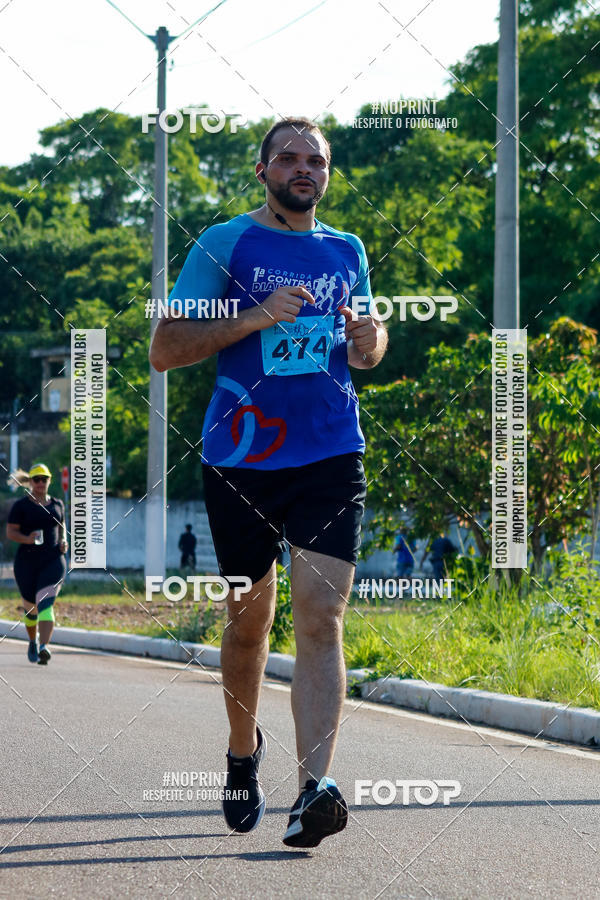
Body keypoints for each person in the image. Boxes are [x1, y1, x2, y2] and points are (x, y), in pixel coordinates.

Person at [150, 117, 388, 847]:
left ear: (327, 174)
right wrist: (250, 318)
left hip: (329, 454)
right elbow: (165, 348)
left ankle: (313, 790)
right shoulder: (224, 243)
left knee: (321, 617)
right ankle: (241, 752)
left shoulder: (346, 249)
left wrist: (367, 338)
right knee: (249, 622)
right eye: (288, 157)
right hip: (241, 459)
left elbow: (371, 342)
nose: (303, 168)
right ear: (263, 171)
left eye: (315, 159)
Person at [6, 463, 68, 665]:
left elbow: (62, 526)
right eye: (36, 479)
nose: (41, 483)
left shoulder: (58, 504)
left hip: (53, 561)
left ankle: (44, 647)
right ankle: (33, 641)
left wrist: (64, 541)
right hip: (26, 563)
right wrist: (28, 539)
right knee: (30, 608)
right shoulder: (21, 506)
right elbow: (11, 532)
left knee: (46, 603)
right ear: (30, 482)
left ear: (50, 480)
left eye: (44, 479)